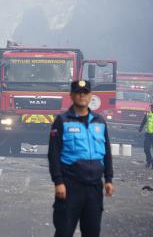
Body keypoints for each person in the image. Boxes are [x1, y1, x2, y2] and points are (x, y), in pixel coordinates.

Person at [48, 80, 114, 237]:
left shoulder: (100, 122)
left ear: (91, 95)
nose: (82, 95)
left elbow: (107, 152)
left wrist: (109, 179)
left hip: (94, 188)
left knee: (92, 232)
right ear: (71, 95)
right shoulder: (62, 121)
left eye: (85, 92)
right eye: (78, 92)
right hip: (70, 187)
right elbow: (53, 154)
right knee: (64, 231)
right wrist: (58, 182)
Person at [138, 102, 153, 170]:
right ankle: (149, 161)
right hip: (148, 134)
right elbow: (143, 122)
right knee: (146, 149)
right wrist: (140, 130)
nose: (151, 108)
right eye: (151, 107)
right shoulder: (148, 114)